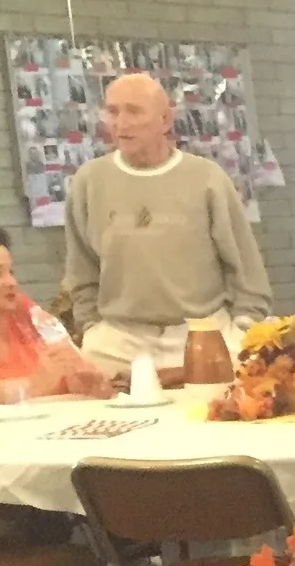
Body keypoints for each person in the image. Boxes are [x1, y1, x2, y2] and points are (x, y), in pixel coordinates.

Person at [60, 70, 274, 370]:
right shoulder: (88, 181)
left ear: (165, 120)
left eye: (134, 111)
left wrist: (243, 327)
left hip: (204, 332)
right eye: (113, 112)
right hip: (118, 340)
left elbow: (246, 267)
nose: (121, 123)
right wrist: (91, 328)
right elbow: (80, 269)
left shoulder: (207, 179)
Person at [0, 227, 108, 402]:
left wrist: (84, 380)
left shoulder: (25, 309)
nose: (12, 282)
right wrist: (32, 386)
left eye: (11, 272)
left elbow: (66, 353)